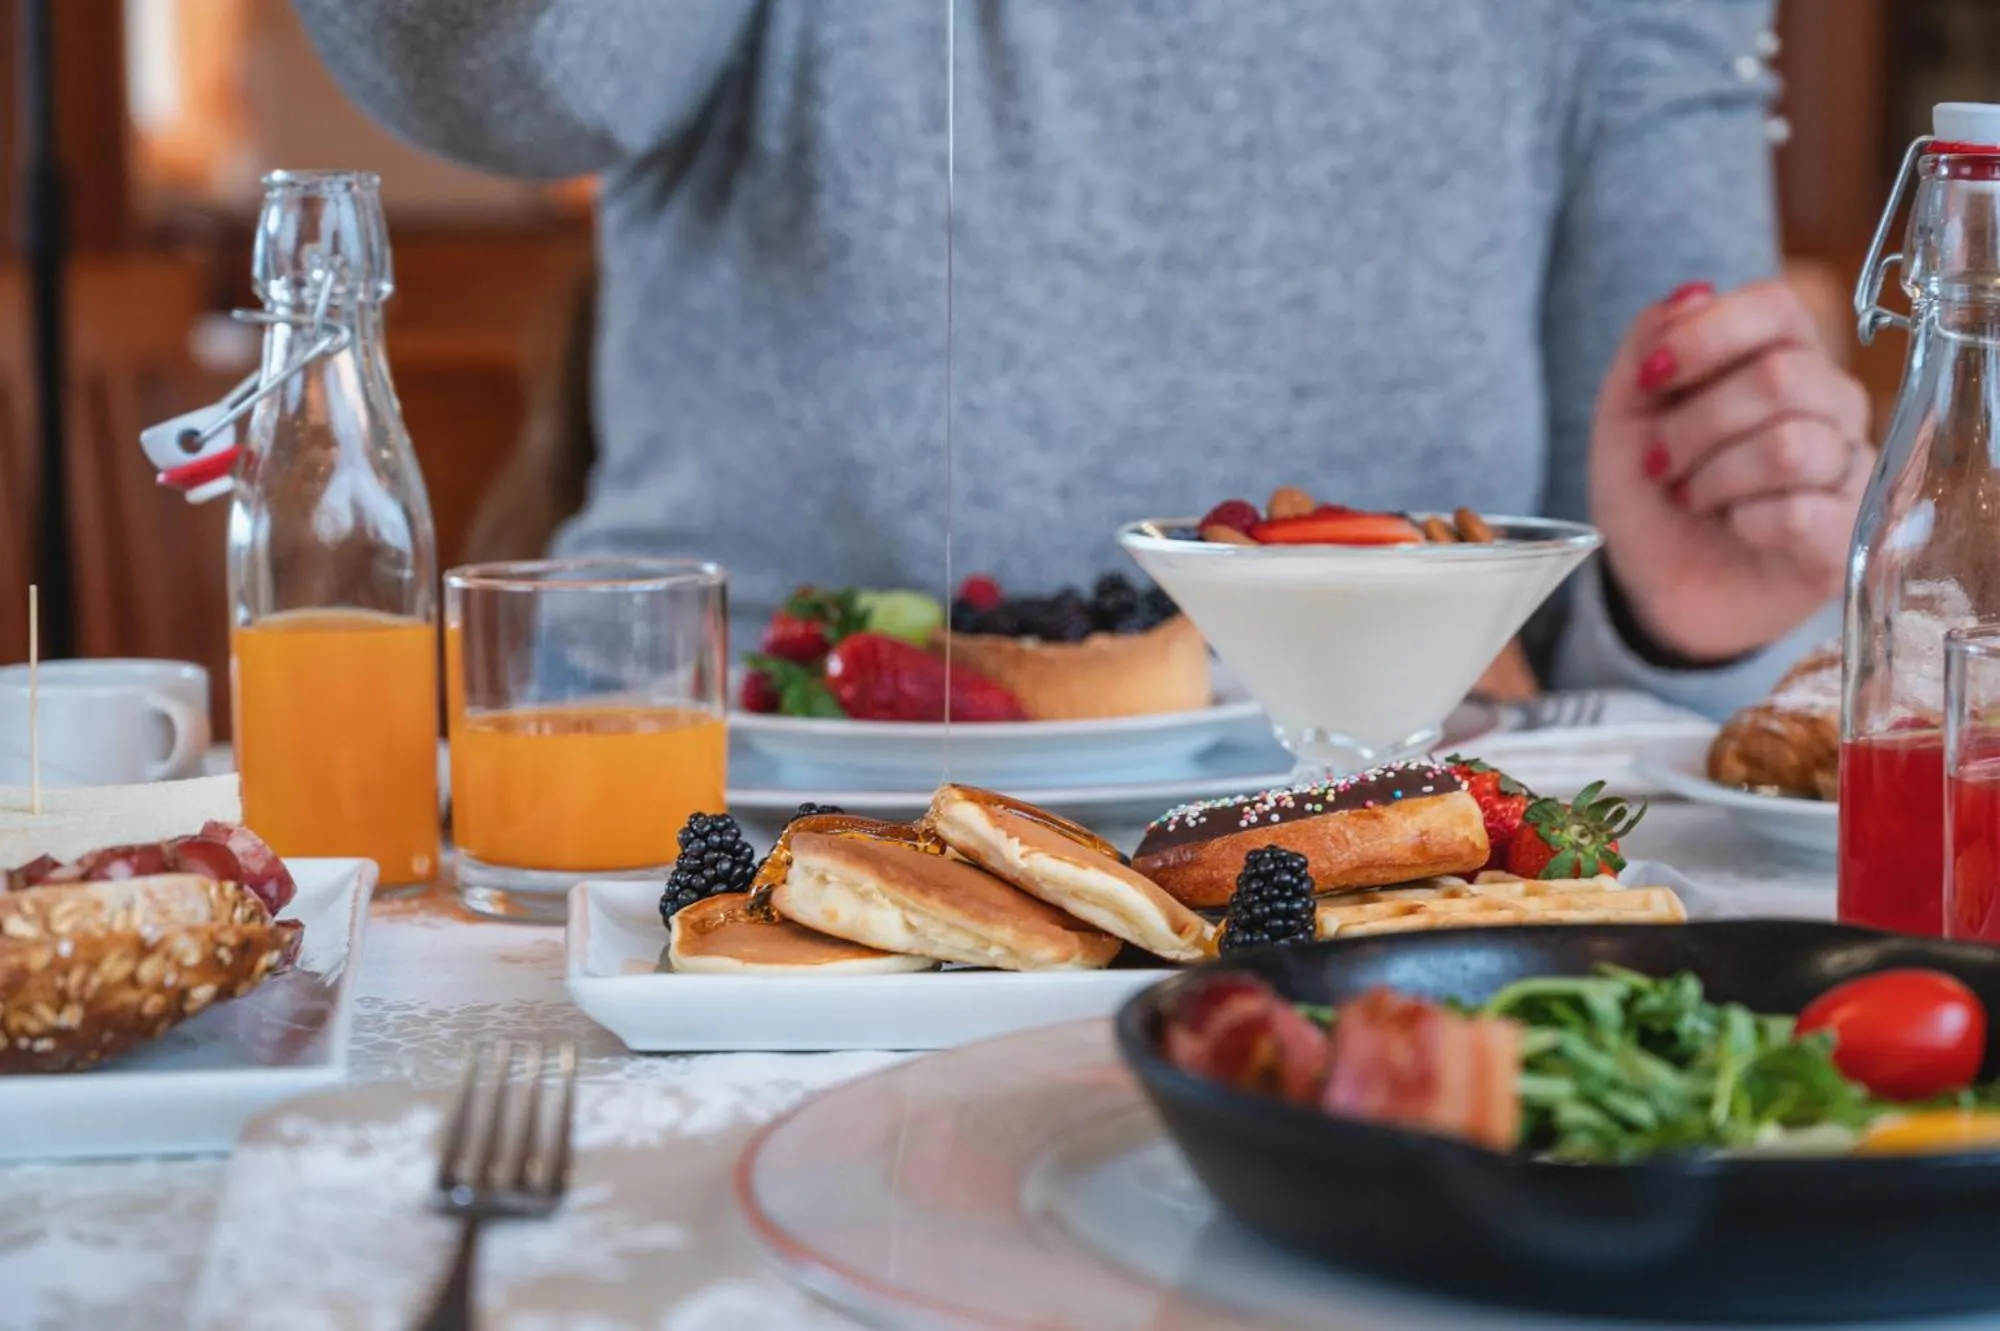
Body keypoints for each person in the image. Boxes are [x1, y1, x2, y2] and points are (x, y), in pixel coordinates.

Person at [290, 0, 1869, 718]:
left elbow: (1656, 574)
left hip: (1355, 857)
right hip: (711, 790)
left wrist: (1674, 606)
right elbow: (508, 75)